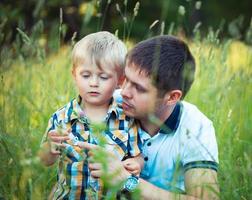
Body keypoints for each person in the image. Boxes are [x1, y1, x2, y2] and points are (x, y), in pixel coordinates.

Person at [84, 35, 219, 199]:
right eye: (126, 79)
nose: (125, 92)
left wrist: (127, 181)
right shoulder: (108, 103)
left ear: (172, 97)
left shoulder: (196, 126)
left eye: (139, 88)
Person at [38, 31, 143, 200]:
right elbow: (44, 160)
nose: (93, 83)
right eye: (85, 75)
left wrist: (137, 164)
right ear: (74, 75)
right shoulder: (61, 118)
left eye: (103, 77)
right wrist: (51, 146)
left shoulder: (127, 119)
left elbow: (137, 157)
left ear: (120, 81)